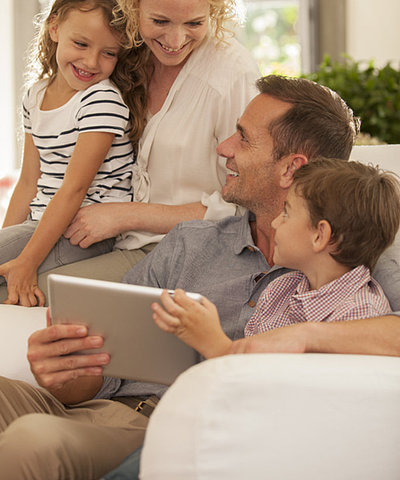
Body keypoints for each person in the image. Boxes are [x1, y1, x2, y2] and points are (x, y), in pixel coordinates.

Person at [0, 74, 392, 480]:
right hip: (103, 411)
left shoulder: (357, 259)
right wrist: (68, 373)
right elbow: (104, 370)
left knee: (33, 442)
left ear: (291, 168)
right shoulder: (192, 243)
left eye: (243, 138)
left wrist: (302, 336)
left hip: (173, 429)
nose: (224, 148)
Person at [35, 0, 259, 293]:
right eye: (159, 20)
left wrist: (126, 215)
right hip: (107, 237)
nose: (174, 40)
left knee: (28, 291)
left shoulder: (231, 74)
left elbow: (242, 206)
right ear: (132, 3)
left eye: (194, 23)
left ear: (215, 11)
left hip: (183, 254)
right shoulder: (122, 53)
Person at [152, 158, 400, 359]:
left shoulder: (361, 314)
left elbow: (285, 401)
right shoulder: (280, 289)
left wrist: (214, 344)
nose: (274, 222)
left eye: (286, 213)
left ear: (320, 235)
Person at [0, 0, 136, 307]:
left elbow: (74, 190)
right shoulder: (36, 95)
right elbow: (29, 181)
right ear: (55, 27)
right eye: (81, 44)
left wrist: (27, 261)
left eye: (109, 53)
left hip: (83, 232)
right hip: (42, 222)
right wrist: (8, 245)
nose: (91, 62)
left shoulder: (101, 100)